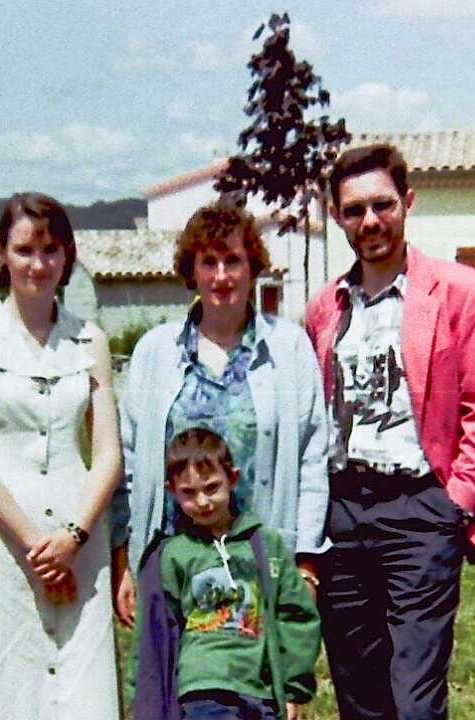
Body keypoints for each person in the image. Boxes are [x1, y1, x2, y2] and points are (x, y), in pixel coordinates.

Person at [303, 143, 475, 720]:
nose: (370, 221)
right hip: (343, 515)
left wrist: (457, 506)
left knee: (415, 696)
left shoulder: (462, 292)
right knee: (358, 693)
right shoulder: (325, 308)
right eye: (354, 210)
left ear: (409, 202)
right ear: (336, 216)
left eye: (383, 205)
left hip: (422, 508)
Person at [0, 193, 121, 719]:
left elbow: (107, 454)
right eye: (24, 250)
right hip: (0, 539)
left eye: (50, 251)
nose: (38, 265)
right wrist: (37, 546)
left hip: (78, 538)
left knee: (79, 686)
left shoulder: (89, 340)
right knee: (3, 685)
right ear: (1, 252)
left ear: (67, 255)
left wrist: (73, 537)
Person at [112, 203, 329, 626]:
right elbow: (130, 466)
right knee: (171, 668)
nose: (221, 276)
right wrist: (126, 560)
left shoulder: (289, 348)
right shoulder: (155, 352)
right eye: (208, 262)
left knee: (250, 666)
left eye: (233, 260)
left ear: (253, 267)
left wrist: (306, 565)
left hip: (259, 563)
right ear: (191, 271)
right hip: (172, 564)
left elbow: (312, 461)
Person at [133, 428, 321, 720]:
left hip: (260, 688)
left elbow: (297, 616)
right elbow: (154, 633)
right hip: (203, 690)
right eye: (188, 493)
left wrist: (293, 688)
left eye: (211, 488)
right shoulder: (172, 553)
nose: (202, 502)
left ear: (232, 479)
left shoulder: (266, 545)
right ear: (172, 491)